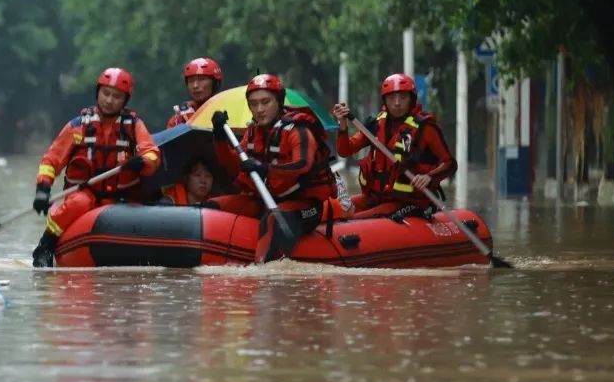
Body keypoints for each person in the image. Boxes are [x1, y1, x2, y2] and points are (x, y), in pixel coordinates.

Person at [30, 67, 161, 267]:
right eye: (106, 93)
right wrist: (42, 189)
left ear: (125, 100)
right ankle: (45, 245)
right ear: (97, 93)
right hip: (86, 193)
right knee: (78, 204)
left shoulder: (133, 125)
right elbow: (52, 160)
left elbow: (151, 153)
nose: (109, 100)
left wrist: (142, 161)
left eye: (116, 96)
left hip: (123, 197)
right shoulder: (79, 126)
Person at [207, 74, 334, 261]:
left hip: (304, 205)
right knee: (211, 207)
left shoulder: (298, 130)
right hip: (265, 200)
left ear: (279, 101)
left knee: (273, 219)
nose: (259, 109)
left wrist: (265, 169)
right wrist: (219, 136)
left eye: (266, 102)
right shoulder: (252, 132)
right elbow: (233, 165)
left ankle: (264, 274)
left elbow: (302, 165)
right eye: (253, 103)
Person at [331, 73, 456, 221]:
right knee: (334, 211)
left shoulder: (426, 128)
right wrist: (343, 124)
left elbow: (450, 164)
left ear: (412, 99)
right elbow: (345, 151)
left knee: (350, 220)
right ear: (385, 100)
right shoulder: (376, 124)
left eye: (403, 97)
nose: (397, 103)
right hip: (376, 197)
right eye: (391, 98)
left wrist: (429, 177)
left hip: (407, 201)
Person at [166, 57, 223, 128]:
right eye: (191, 81)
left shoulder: (230, 112)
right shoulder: (178, 120)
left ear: (215, 83)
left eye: (202, 79)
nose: (195, 86)